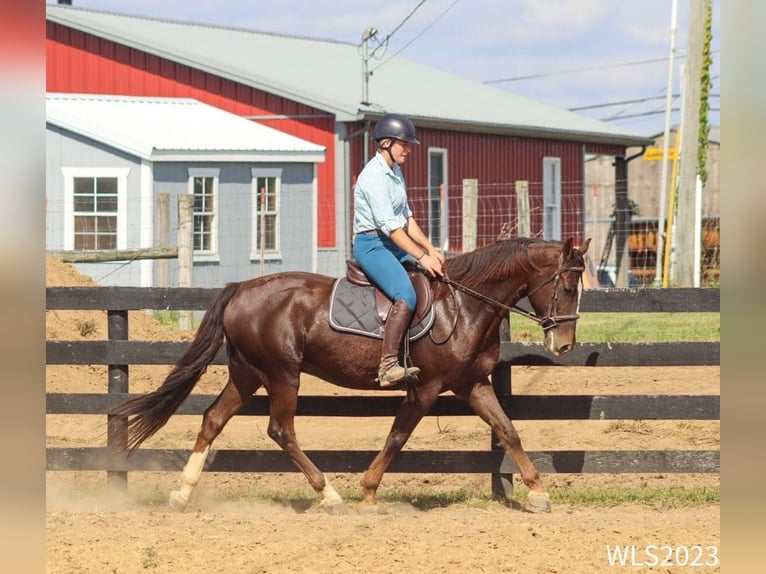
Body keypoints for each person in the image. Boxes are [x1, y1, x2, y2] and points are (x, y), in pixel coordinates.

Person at [352, 113, 445, 388]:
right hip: (372, 245)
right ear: (386, 143)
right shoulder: (373, 177)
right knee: (405, 293)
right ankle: (388, 364)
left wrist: (431, 249)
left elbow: (407, 220)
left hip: (393, 241)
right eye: (404, 144)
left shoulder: (395, 172)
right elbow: (392, 229)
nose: (409, 149)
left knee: (434, 277)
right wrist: (420, 256)